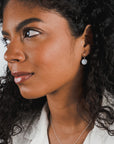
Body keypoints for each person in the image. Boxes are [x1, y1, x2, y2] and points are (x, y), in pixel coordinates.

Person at [0, 0, 114, 144]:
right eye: (7, 40)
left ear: (85, 41)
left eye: (30, 33)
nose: (9, 55)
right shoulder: (11, 135)